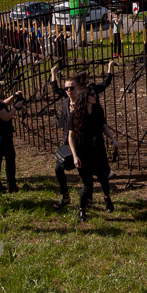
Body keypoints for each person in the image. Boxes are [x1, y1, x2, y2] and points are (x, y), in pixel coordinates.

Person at [50, 62, 115, 210]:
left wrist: (110, 69)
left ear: (79, 89)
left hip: (85, 144)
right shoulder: (66, 102)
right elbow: (55, 89)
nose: (68, 91)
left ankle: (88, 200)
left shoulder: (87, 105)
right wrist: (53, 74)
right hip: (69, 140)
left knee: (88, 174)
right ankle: (65, 196)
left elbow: (105, 84)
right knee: (58, 169)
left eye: (71, 88)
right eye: (66, 88)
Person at [67, 86, 121, 222]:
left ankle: (107, 198)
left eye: (95, 94)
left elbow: (103, 127)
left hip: (98, 150)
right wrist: (75, 156)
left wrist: (113, 139)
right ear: (85, 97)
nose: (95, 96)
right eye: (92, 94)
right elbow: (71, 136)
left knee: (103, 177)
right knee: (87, 184)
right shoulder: (75, 114)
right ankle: (81, 210)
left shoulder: (98, 110)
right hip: (83, 152)